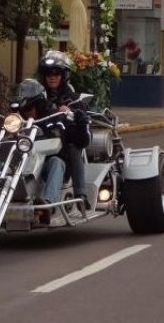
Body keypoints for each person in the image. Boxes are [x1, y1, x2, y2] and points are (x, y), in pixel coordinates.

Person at [0, 78, 66, 224]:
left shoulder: (52, 117)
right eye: (21, 109)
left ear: (39, 105)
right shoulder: (16, 121)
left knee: (57, 162)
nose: (24, 113)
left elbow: (59, 135)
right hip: (17, 164)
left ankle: (47, 204)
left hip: (41, 165)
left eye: (28, 109)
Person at [38, 51, 92, 211]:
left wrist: (79, 120)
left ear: (64, 75)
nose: (52, 77)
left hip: (62, 157)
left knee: (72, 148)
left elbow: (84, 141)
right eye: (48, 73)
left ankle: (79, 195)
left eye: (56, 73)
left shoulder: (74, 100)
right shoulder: (37, 99)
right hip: (36, 153)